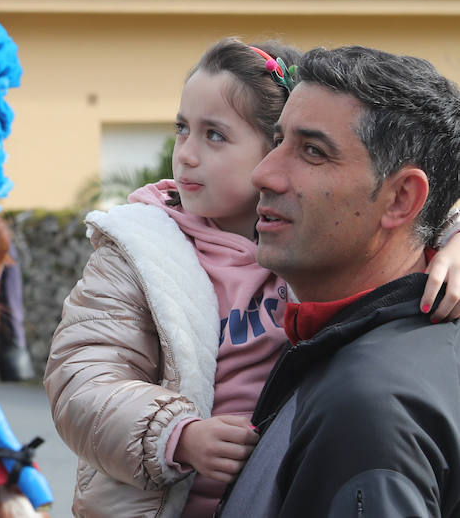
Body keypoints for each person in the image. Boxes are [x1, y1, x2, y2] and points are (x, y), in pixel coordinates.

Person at [44, 38, 460, 517]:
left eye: (215, 135)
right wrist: (177, 434)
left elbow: (418, 217)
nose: (187, 155)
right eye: (182, 129)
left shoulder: (311, 249)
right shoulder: (140, 249)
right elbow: (84, 376)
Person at [219, 46, 460, 516]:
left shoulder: (369, 406)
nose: (263, 173)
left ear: (401, 199)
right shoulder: (376, 353)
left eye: (313, 151)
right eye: (277, 142)